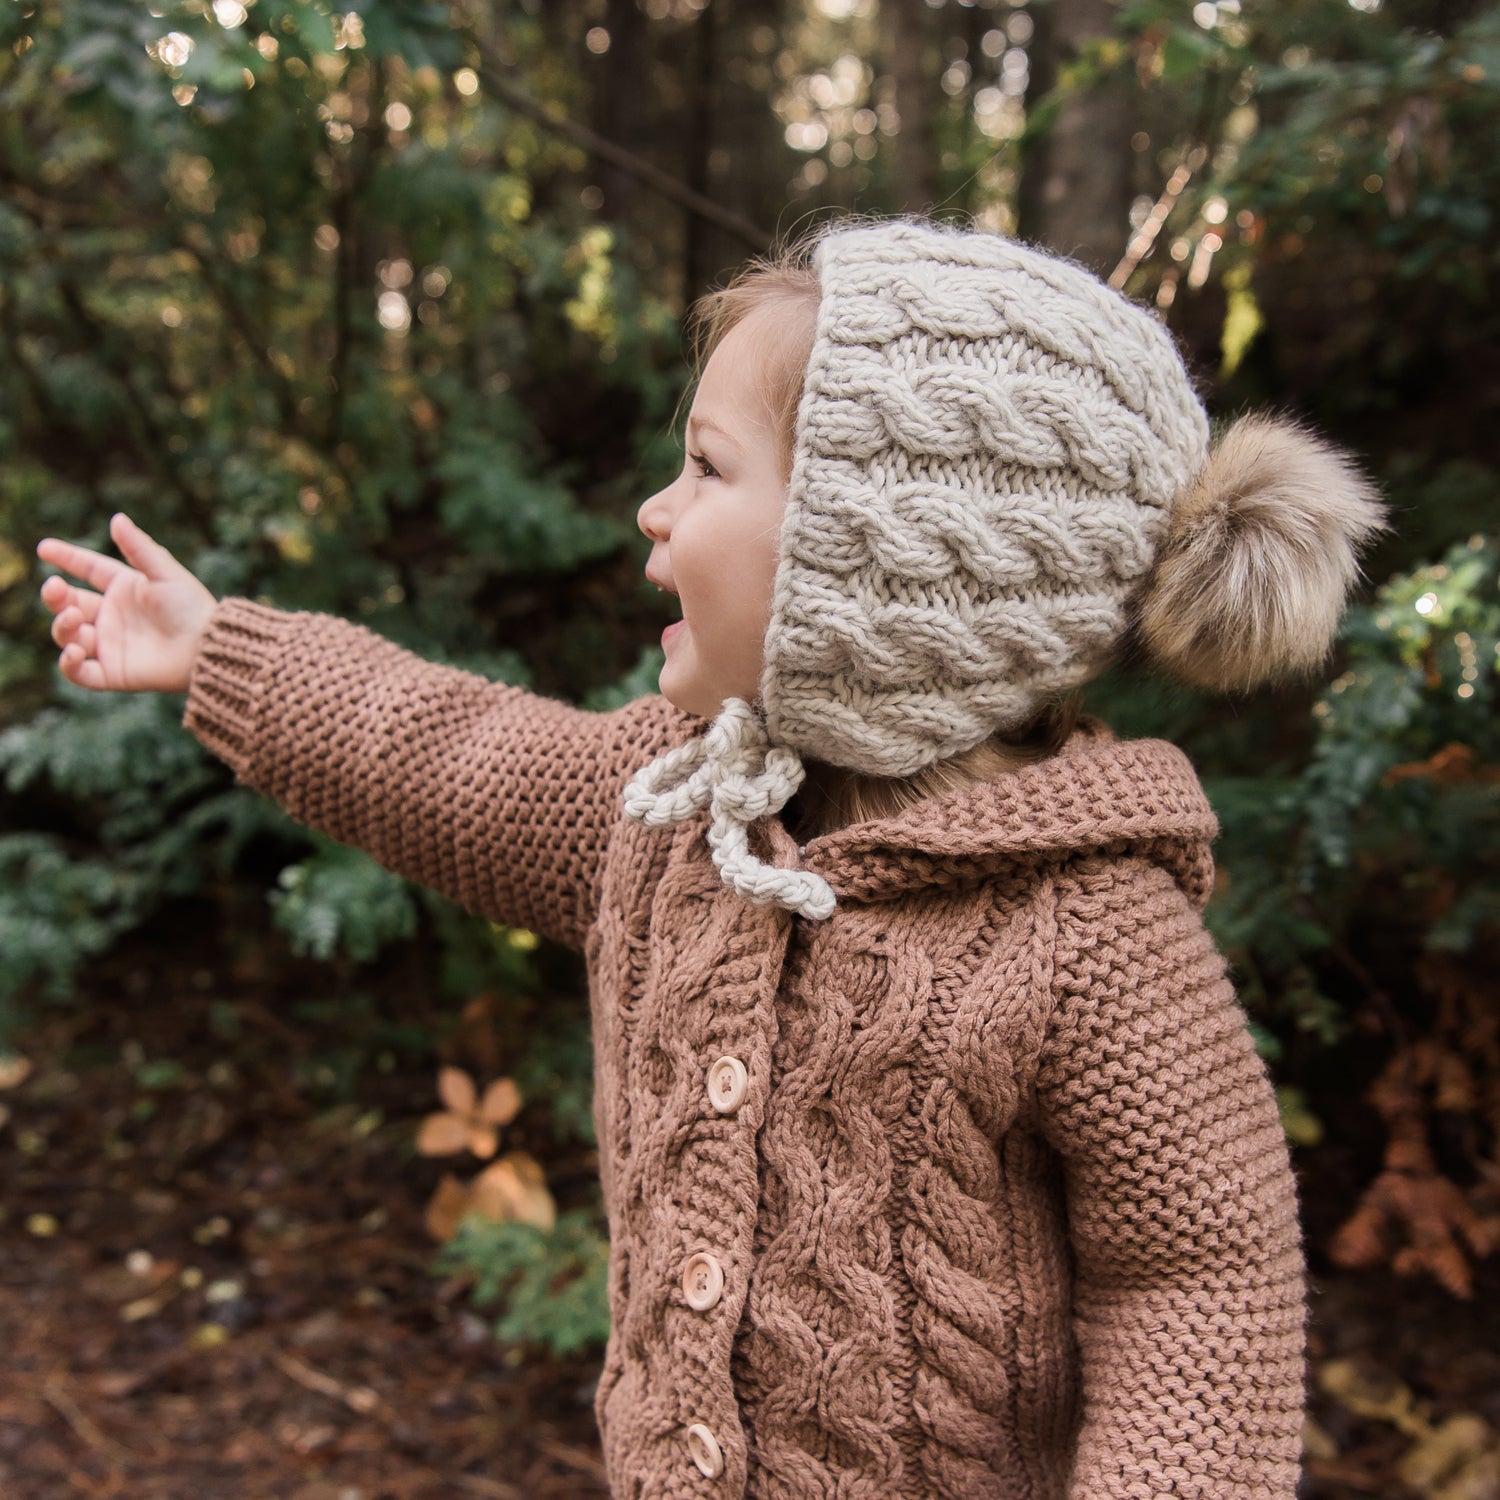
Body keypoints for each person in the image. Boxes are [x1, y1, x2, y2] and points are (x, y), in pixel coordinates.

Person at [36, 215, 1386, 1498]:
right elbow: (445, 756)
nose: (652, 509)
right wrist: (221, 653)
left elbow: (1204, 1279)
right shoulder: (674, 815)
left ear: (875, 563)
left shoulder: (1091, 927)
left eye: (707, 468)